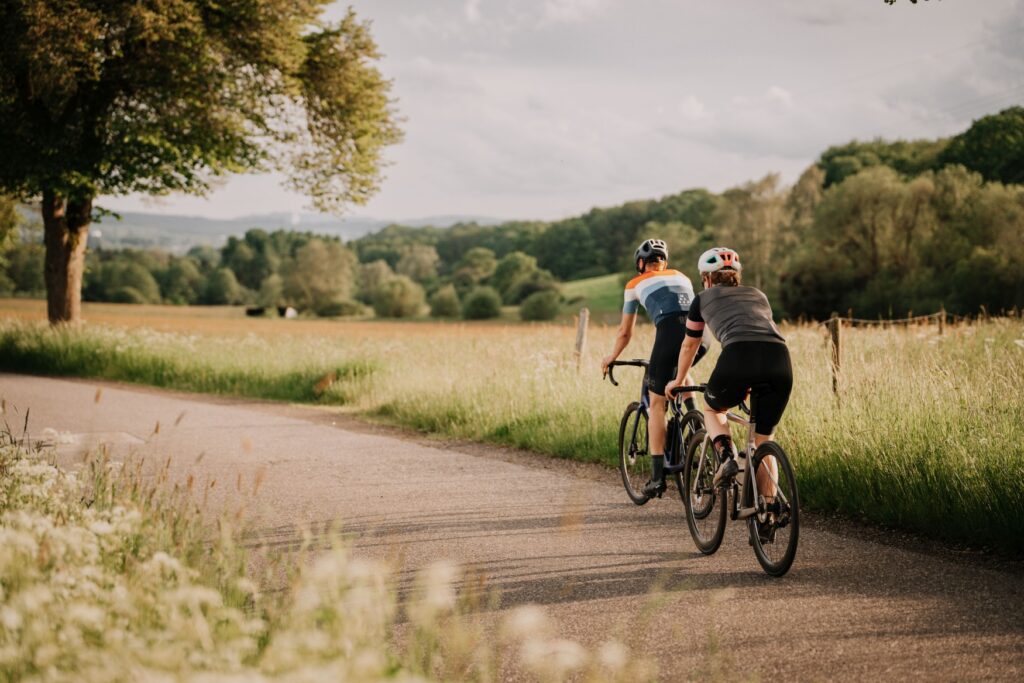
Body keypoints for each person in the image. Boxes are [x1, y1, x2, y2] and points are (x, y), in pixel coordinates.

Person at [664, 248, 792, 526]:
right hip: (779, 360)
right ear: (736, 277)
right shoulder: (759, 295)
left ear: (707, 279)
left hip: (738, 356)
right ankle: (768, 513)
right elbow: (757, 330)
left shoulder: (702, 299)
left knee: (712, 407)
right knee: (763, 441)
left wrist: (678, 379)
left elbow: (690, 343)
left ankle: (726, 457)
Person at [602, 238, 705, 498]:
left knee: (657, 403)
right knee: (681, 369)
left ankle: (658, 478)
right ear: (664, 262)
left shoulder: (633, 284)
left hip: (670, 334)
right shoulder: (681, 275)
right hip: (702, 337)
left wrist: (611, 357)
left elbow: (625, 333)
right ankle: (698, 428)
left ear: (640, 263)